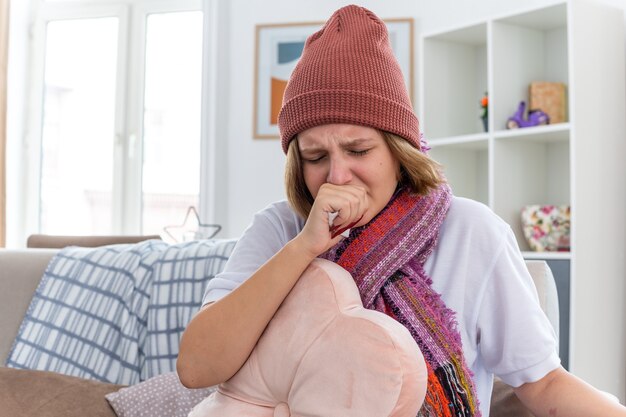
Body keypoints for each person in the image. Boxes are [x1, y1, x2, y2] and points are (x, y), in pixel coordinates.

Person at [177, 5, 626, 416]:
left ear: (399, 151)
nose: (336, 176)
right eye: (315, 157)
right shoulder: (280, 229)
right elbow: (197, 368)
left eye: (358, 149)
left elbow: (544, 383)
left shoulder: (471, 232)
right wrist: (303, 249)